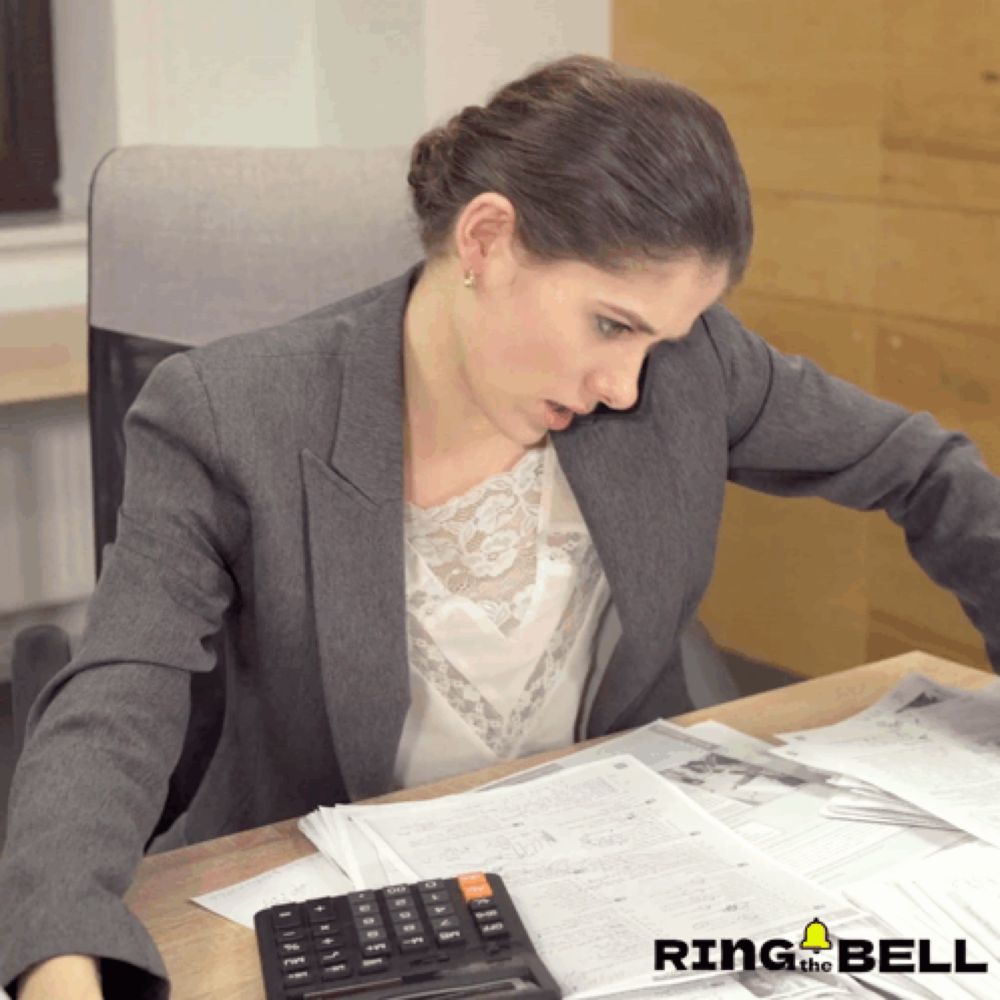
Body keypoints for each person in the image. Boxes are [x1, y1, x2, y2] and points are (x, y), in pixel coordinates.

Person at [3, 52, 999, 999]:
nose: (624, 383)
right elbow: (120, 690)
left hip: (609, 879)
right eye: (610, 324)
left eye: (664, 338)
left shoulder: (685, 375)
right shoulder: (231, 413)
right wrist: (56, 952)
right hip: (341, 913)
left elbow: (924, 469)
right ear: (485, 241)